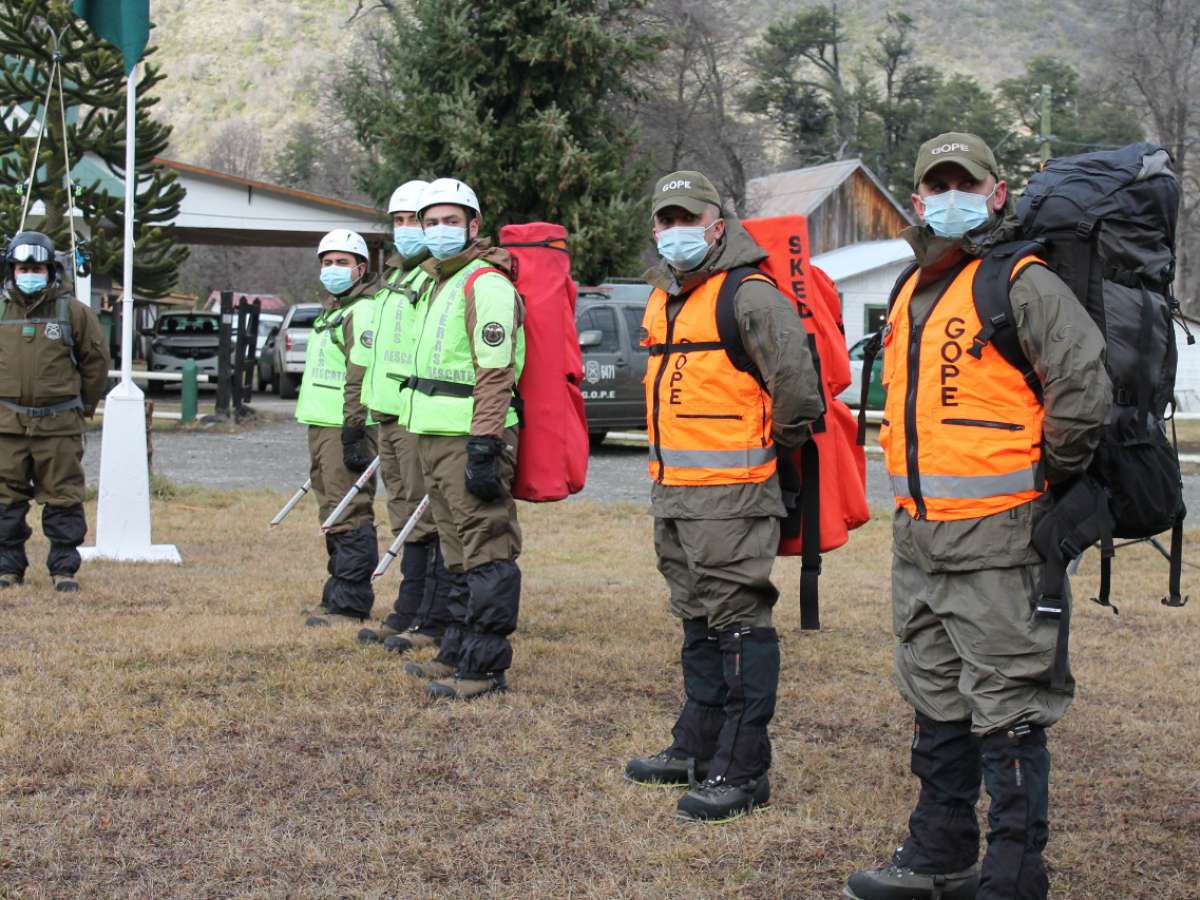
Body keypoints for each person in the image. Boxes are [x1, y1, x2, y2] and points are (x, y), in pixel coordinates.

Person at [844, 133, 1111, 900]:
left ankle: (1014, 876)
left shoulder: (1022, 283)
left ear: (997, 194)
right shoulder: (909, 288)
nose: (950, 196)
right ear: (918, 198)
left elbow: (1082, 390)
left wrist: (1045, 478)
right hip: (919, 542)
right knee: (934, 698)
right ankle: (941, 852)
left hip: (1001, 542)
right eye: (937, 185)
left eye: (968, 182)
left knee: (1009, 708)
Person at [623, 171, 824, 823]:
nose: (675, 230)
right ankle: (696, 746)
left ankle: (743, 770)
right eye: (665, 219)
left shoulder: (750, 293)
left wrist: (770, 453)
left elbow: (797, 387)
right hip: (675, 494)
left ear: (718, 224)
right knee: (695, 617)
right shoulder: (668, 298)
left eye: (689, 218)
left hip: (733, 495)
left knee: (738, 620)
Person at [397, 177, 525, 701]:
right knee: (456, 550)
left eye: (452, 221)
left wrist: (484, 443)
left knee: (485, 547)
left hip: (470, 434)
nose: (439, 230)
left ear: (474, 226)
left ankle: (484, 669)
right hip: (432, 433)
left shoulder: (485, 283)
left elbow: (494, 371)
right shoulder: (439, 281)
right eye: (431, 222)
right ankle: (457, 649)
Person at [350, 180, 457, 653]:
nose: (406, 229)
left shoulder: (433, 278)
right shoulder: (393, 278)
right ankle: (410, 606)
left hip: (418, 415)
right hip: (387, 414)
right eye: (398, 221)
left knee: (426, 515)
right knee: (403, 513)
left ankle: (430, 616)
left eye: (414, 219)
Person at [0, 231, 109, 592]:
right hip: (7, 426)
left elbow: (95, 364)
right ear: (11, 270)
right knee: (5, 501)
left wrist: (84, 408)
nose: (29, 274)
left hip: (58, 426)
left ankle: (64, 569)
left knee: (63, 498)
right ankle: (7, 568)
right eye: (22, 267)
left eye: (37, 267)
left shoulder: (74, 312)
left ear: (50, 270)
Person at [298, 229, 382, 627]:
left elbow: (359, 376)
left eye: (342, 263)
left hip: (344, 426)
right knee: (332, 509)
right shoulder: (333, 309)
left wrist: (353, 429)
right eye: (327, 262)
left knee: (349, 510)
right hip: (321, 424)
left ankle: (350, 603)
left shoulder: (360, 312)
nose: (332, 269)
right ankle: (336, 595)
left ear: (360, 268)